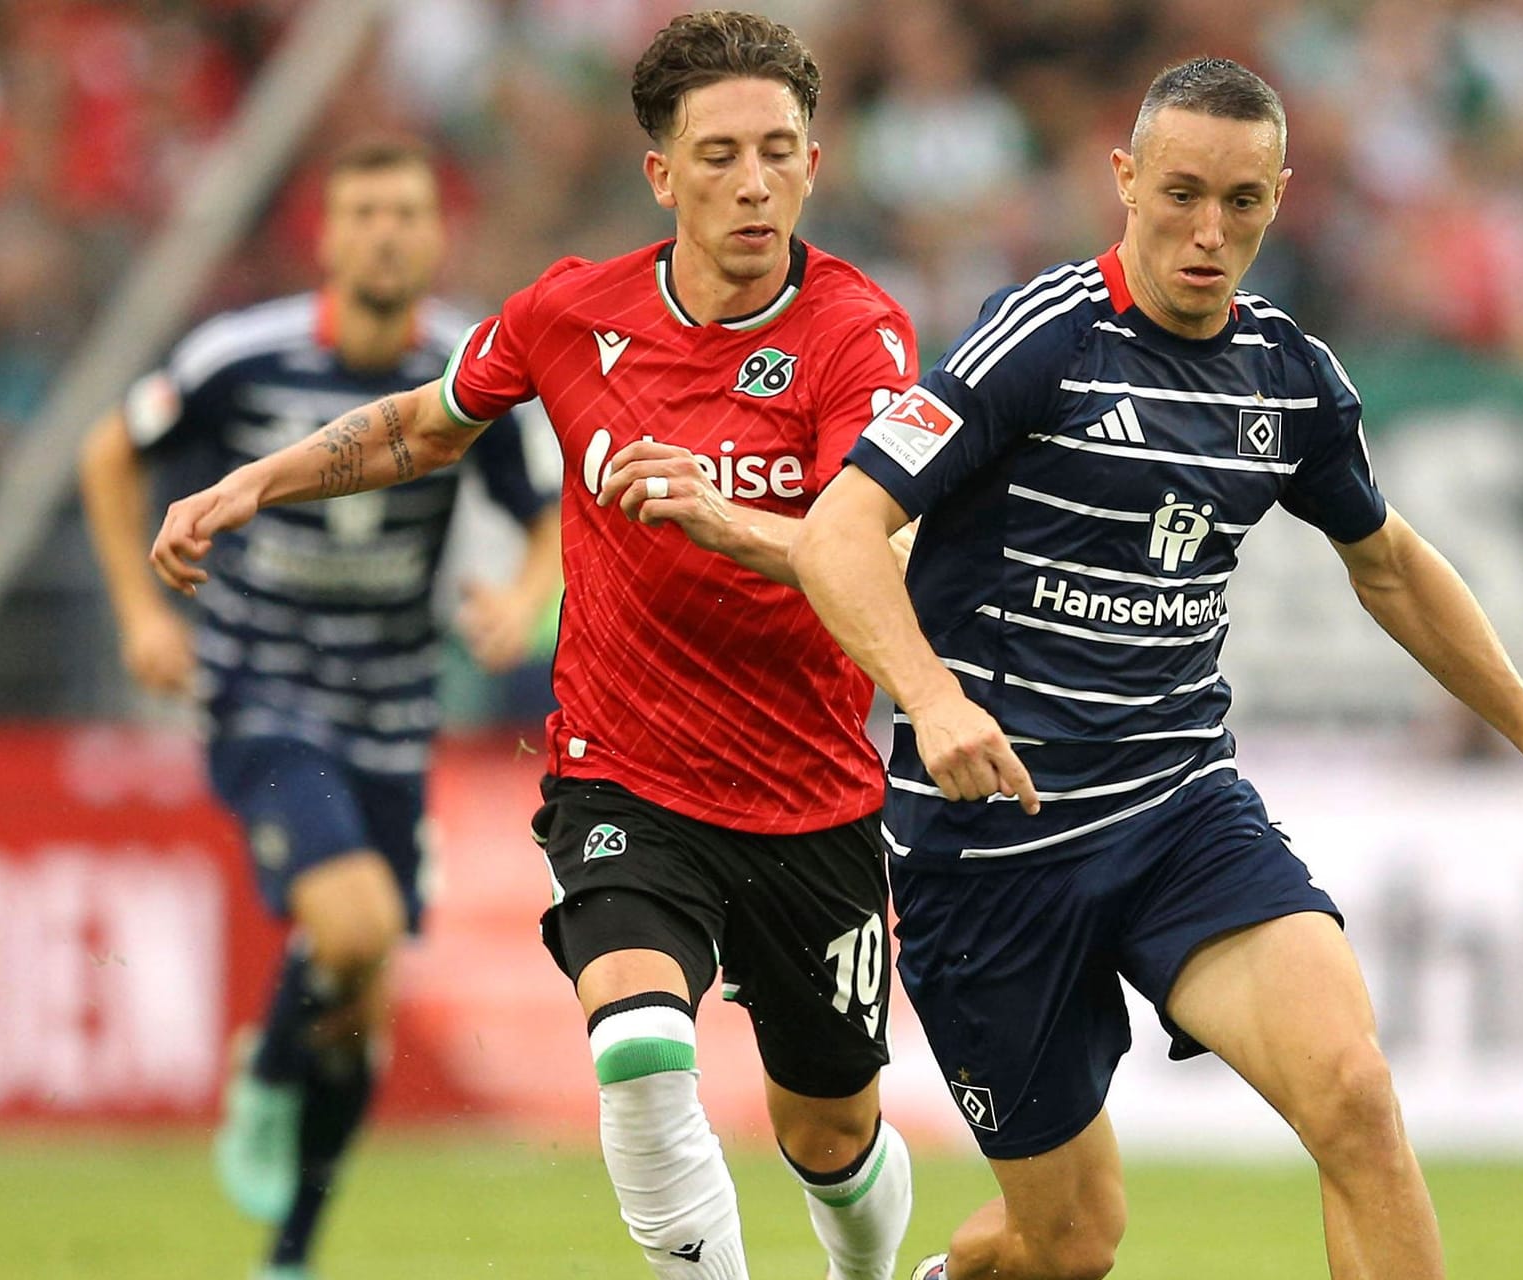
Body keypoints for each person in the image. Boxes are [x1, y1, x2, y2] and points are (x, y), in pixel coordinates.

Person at [792, 56, 1523, 1280]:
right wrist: (938, 698)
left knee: (1357, 1100)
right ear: (1122, 179)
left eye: (1243, 202)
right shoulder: (1037, 338)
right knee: (1068, 1245)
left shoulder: (1289, 377)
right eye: (1179, 194)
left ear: (1283, 196)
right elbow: (838, 530)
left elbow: (1389, 565)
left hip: (1181, 813)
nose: (1208, 233)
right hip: (991, 845)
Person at [151, 13, 924, 1279]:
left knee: (829, 1129)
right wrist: (255, 482)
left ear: (814, 162)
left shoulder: (856, 331)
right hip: (626, 771)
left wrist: (722, 518)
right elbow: (421, 426)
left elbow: (870, 552)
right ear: (661, 173)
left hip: (810, 792)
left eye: (778, 150)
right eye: (719, 152)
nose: (753, 181)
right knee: (636, 1048)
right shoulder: (571, 311)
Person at [78, 139, 562, 1280]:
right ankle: (265, 1079)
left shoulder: (464, 372)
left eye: (407, 212)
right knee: (351, 929)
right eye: (365, 212)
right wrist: (142, 617)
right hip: (262, 688)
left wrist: (521, 598)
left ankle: (290, 1248)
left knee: (361, 998)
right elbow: (111, 450)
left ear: (436, 238)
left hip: (393, 708)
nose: (387, 232)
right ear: (328, 237)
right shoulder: (238, 359)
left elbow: (547, 512)